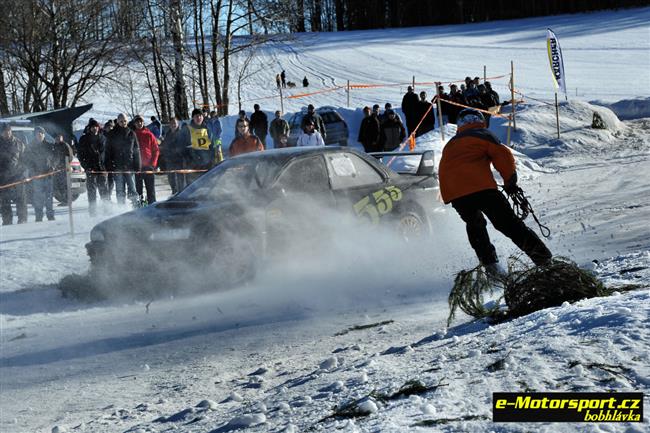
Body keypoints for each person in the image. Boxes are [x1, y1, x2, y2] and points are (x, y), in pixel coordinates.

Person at [438, 109, 552, 277]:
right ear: (480, 120)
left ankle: (491, 267)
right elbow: (502, 155)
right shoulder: (482, 134)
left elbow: (447, 168)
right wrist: (510, 182)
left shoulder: (451, 143)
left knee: (475, 225)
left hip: (455, 193)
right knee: (509, 224)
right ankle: (544, 261)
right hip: (481, 188)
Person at [105, 113, 141, 205]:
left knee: (132, 189)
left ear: (127, 121)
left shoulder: (131, 133)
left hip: (129, 166)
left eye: (125, 121)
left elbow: (136, 150)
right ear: (117, 122)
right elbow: (108, 151)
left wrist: (138, 165)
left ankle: (135, 207)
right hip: (117, 166)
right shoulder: (112, 134)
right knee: (120, 190)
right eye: (121, 121)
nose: (123, 123)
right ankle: (121, 209)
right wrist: (108, 165)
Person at [23, 126, 56, 222]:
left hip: (48, 175)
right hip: (37, 175)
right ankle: (39, 216)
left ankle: (50, 215)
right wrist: (32, 169)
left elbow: (55, 158)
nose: (40, 135)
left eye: (41, 133)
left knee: (49, 196)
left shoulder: (50, 145)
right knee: (38, 197)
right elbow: (27, 160)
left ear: (44, 134)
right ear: (35, 135)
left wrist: (53, 166)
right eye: (38, 133)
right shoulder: (30, 146)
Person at [77, 119, 109, 216]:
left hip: (102, 168)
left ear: (98, 127)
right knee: (91, 191)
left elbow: (108, 153)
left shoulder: (103, 138)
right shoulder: (84, 139)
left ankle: (106, 210)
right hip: (90, 168)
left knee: (103, 190)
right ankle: (93, 212)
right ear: (89, 128)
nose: (94, 128)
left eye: (96, 126)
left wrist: (106, 166)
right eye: (92, 127)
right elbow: (80, 155)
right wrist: (86, 166)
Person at [0, 123, 27, 225]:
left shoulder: (19, 143)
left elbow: (25, 159)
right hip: (3, 177)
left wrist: (23, 172)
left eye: (8, 131)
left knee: (21, 199)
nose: (7, 133)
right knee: (5, 201)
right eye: (4, 131)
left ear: (11, 131)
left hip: (17, 175)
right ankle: (7, 221)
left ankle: (22, 220)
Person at [181, 108, 218, 183]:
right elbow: (182, 147)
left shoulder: (207, 129)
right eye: (196, 116)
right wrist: (189, 160)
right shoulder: (187, 130)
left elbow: (212, 146)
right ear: (193, 118)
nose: (199, 118)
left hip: (206, 164)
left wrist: (213, 160)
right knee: (193, 189)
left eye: (200, 116)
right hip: (193, 165)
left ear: (203, 117)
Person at [132, 115, 160, 205]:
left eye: (140, 121)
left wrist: (153, 164)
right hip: (137, 167)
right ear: (134, 123)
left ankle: (152, 207)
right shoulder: (132, 135)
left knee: (151, 191)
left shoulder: (149, 134)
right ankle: (138, 208)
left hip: (148, 166)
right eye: (137, 122)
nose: (139, 123)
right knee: (138, 191)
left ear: (143, 122)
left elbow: (156, 150)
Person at [160, 116, 186, 194]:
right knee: (171, 179)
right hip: (170, 160)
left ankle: (181, 194)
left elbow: (185, 146)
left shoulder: (182, 133)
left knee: (180, 179)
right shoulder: (168, 134)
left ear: (178, 124)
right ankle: (174, 192)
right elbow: (164, 146)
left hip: (180, 160)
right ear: (169, 125)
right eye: (171, 123)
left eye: (174, 123)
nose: (173, 125)